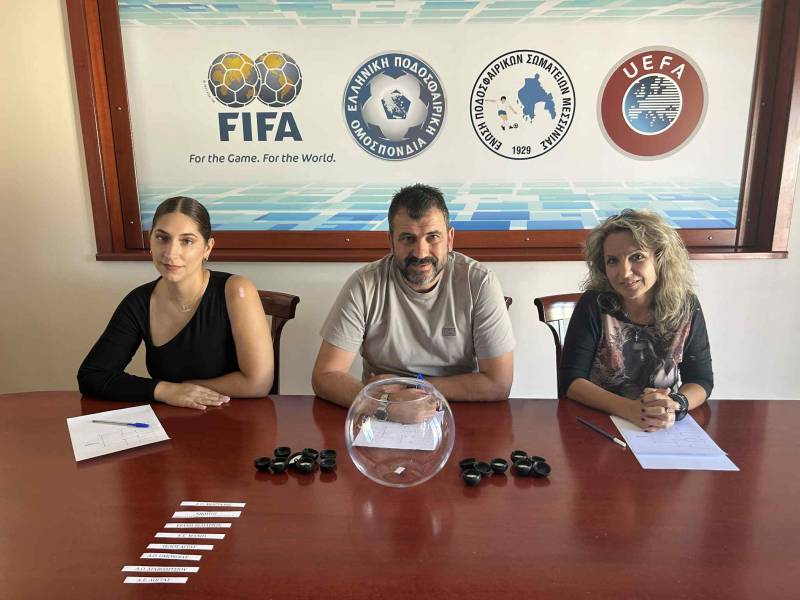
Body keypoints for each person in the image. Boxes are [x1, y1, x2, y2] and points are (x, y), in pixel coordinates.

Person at [311, 184, 515, 421]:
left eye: (433, 237)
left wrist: (412, 387)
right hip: (382, 415)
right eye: (408, 238)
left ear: (450, 239)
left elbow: (498, 383)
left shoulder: (479, 282)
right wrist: (385, 406)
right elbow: (325, 375)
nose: (420, 252)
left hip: (459, 412)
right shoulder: (364, 284)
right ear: (391, 241)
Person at [78, 196, 273, 410]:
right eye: (162, 238)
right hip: (172, 418)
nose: (171, 253)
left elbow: (258, 383)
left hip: (237, 418)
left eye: (187, 241)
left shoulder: (237, 290)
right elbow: (92, 375)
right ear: (150, 241)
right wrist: (164, 390)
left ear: (207, 248)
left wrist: (183, 389)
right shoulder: (139, 301)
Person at [559, 209, 713, 431]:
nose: (624, 272)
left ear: (659, 258)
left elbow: (701, 380)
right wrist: (631, 409)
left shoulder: (686, 306)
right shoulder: (594, 304)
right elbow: (572, 381)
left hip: (662, 425)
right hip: (600, 422)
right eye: (613, 261)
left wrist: (676, 404)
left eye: (637, 257)